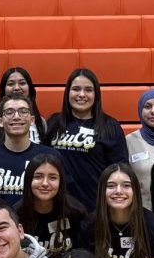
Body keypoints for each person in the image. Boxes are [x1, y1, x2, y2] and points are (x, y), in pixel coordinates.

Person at [47, 68, 129, 212]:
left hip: (96, 208)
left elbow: (120, 171)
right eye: (76, 89)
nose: (82, 95)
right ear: (68, 93)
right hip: (58, 208)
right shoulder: (54, 123)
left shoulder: (110, 126)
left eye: (88, 90)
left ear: (96, 94)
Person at [0, 94, 58, 205]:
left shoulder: (51, 156)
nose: (16, 117)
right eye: (9, 112)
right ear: (0, 121)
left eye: (23, 111)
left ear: (32, 120)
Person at [14, 153, 90, 258]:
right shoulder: (16, 215)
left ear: (61, 182)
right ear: (28, 180)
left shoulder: (76, 212)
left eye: (52, 178)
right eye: (38, 177)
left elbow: (83, 256)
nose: (45, 183)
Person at [0, 67, 47, 146]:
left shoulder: (41, 122)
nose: (17, 88)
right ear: (3, 89)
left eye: (22, 83)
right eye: (10, 84)